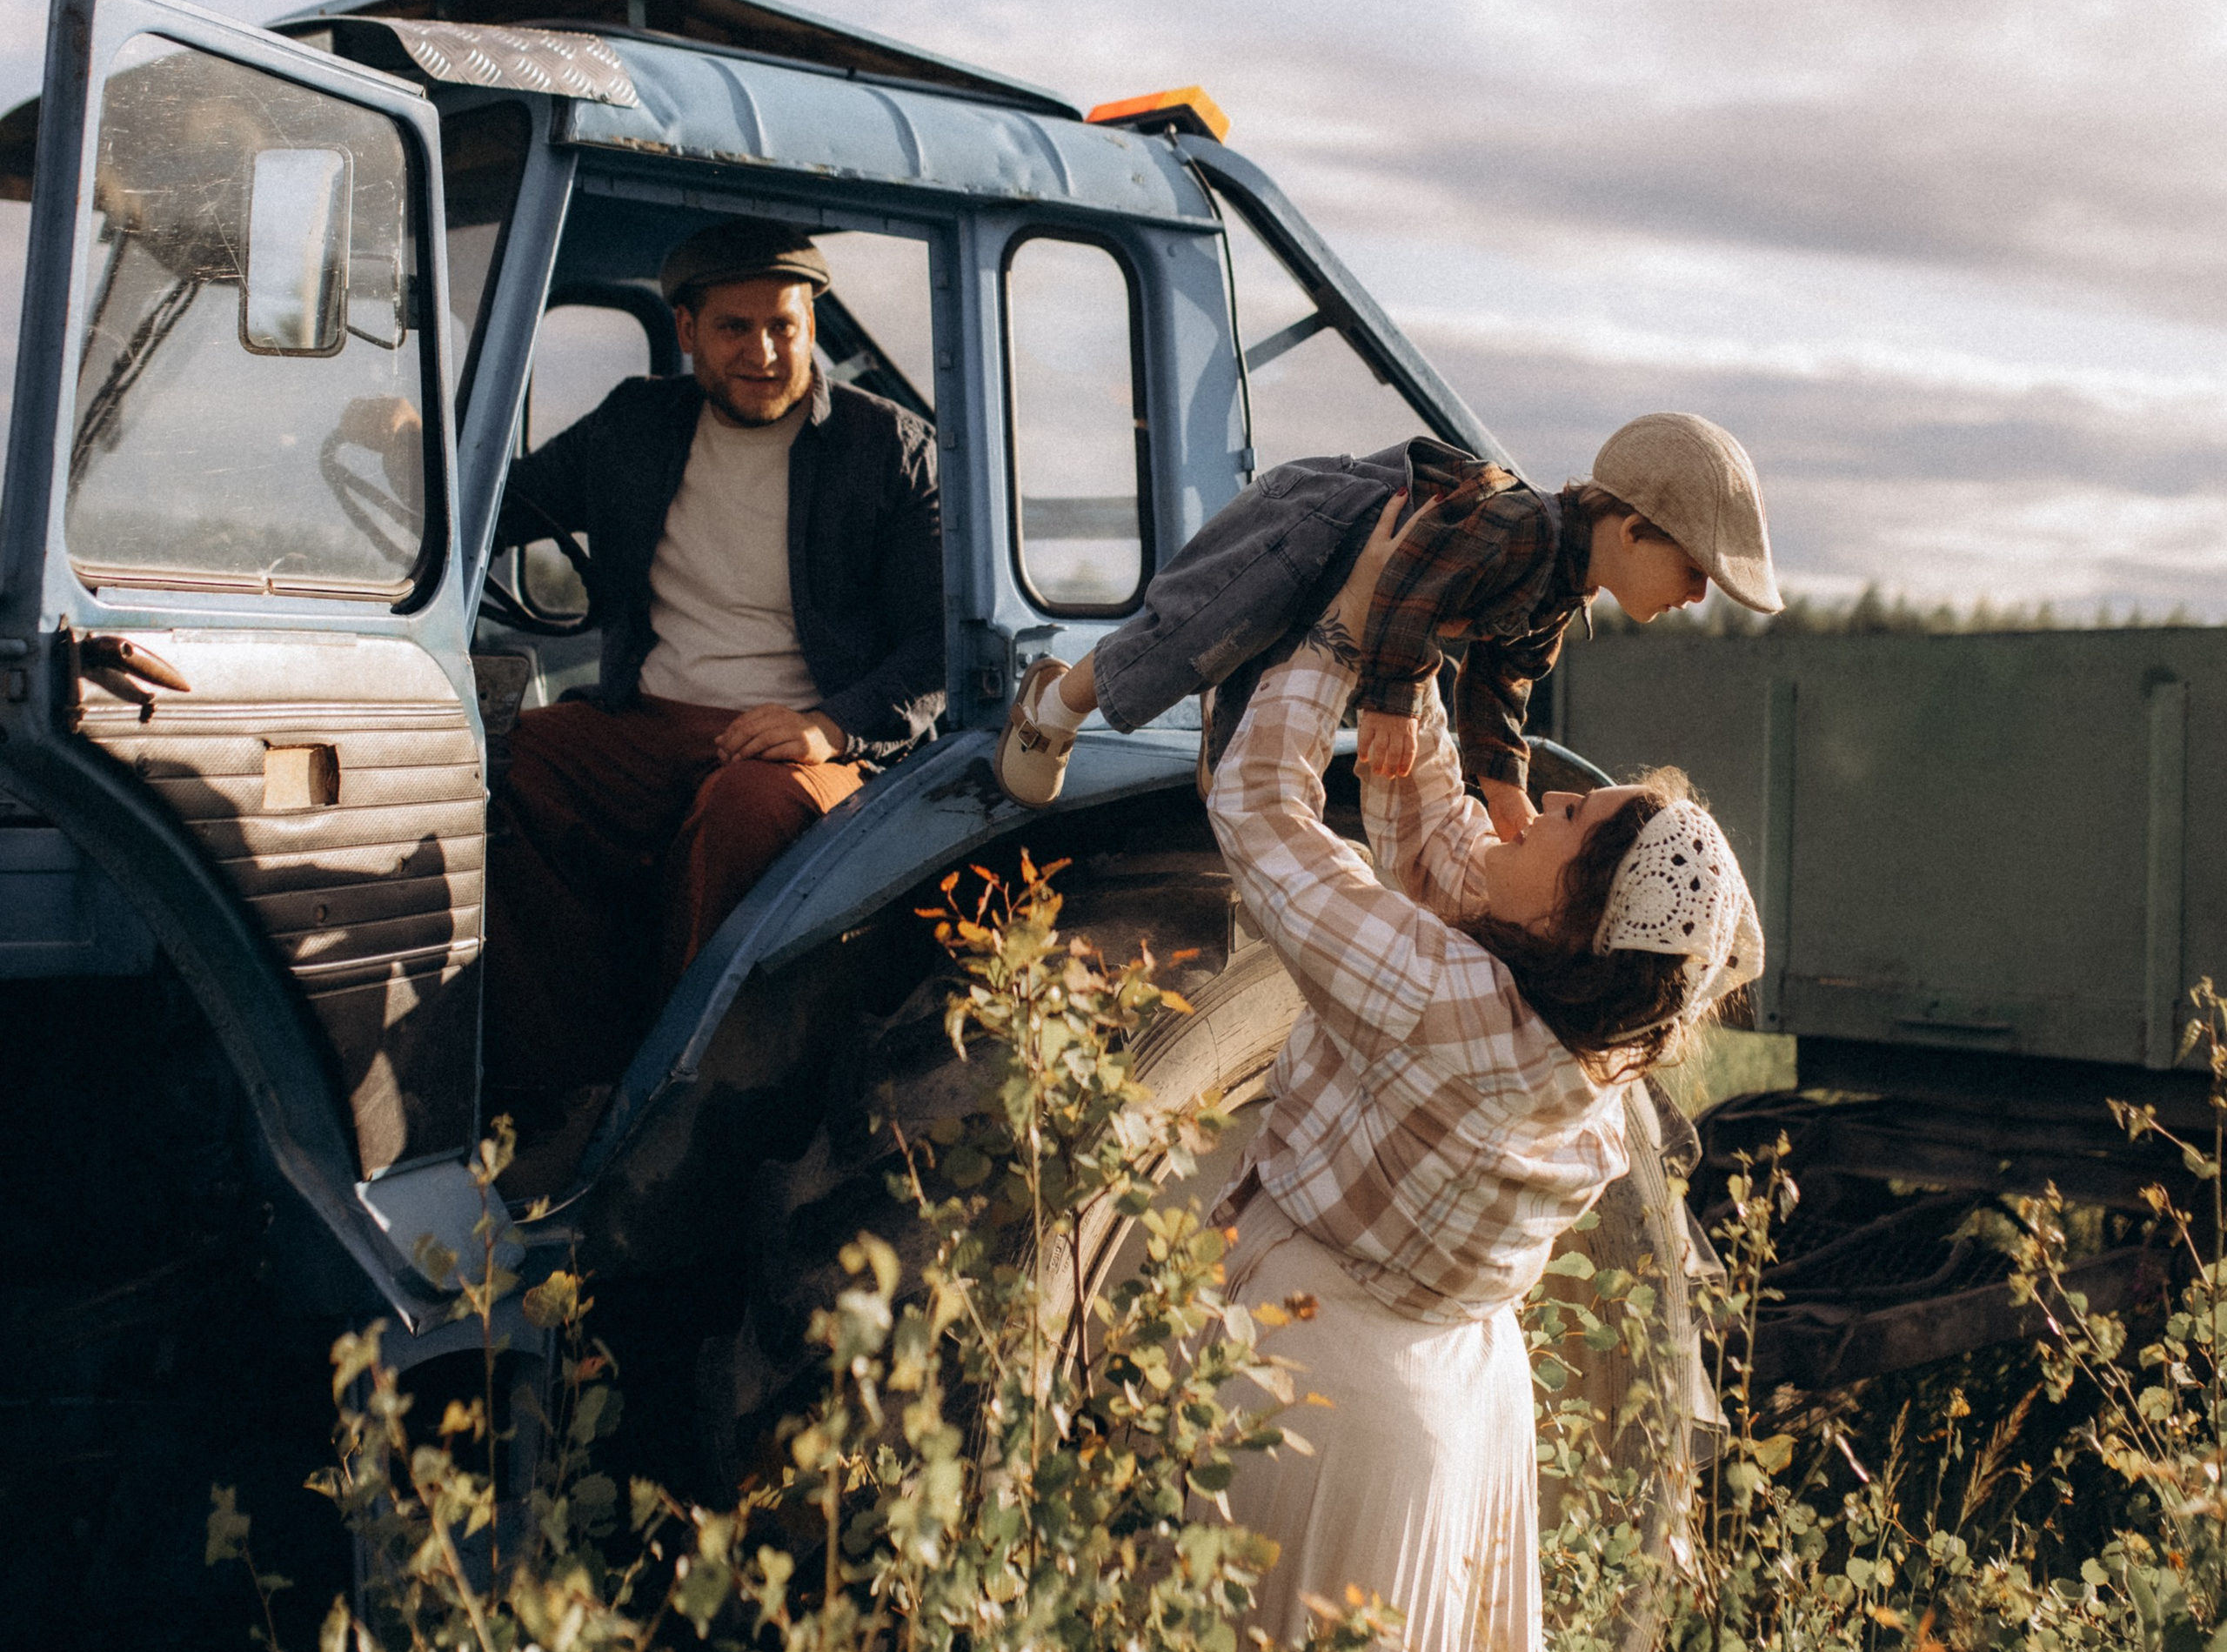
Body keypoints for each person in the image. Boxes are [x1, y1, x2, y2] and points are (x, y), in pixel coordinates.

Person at [1199, 498, 1763, 1652]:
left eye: (1567, 818)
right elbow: (1440, 838)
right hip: (1450, 1393)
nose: (1537, 803)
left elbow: (1262, 814)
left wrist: (1337, 640)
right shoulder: (1590, 1028)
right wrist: (1421, 670)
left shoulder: (1460, 1006)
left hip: (1325, 1398)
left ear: (1571, 921)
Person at [483, 222, 942, 1106]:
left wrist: (828, 725)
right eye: (736, 328)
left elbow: (937, 647)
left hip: (811, 739)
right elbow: (507, 507)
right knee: (516, 761)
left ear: (812, 324)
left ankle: (676, 1105)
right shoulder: (633, 425)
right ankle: (558, 1090)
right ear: (687, 329)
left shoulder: (887, 448)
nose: (765, 353)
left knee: (744, 811)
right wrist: (416, 451)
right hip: (650, 721)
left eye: (786, 326)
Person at [994, 410, 1780, 837]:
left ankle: (1226, 722)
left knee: (1238, 765)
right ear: (1634, 529)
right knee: (1195, 632)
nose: (1698, 597)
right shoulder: (1522, 528)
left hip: (1354, 602)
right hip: (1312, 530)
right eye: (1695, 571)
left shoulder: (1561, 595)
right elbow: (1410, 578)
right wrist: (1393, 701)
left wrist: (1507, 795)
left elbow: (1499, 686)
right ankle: (1056, 705)